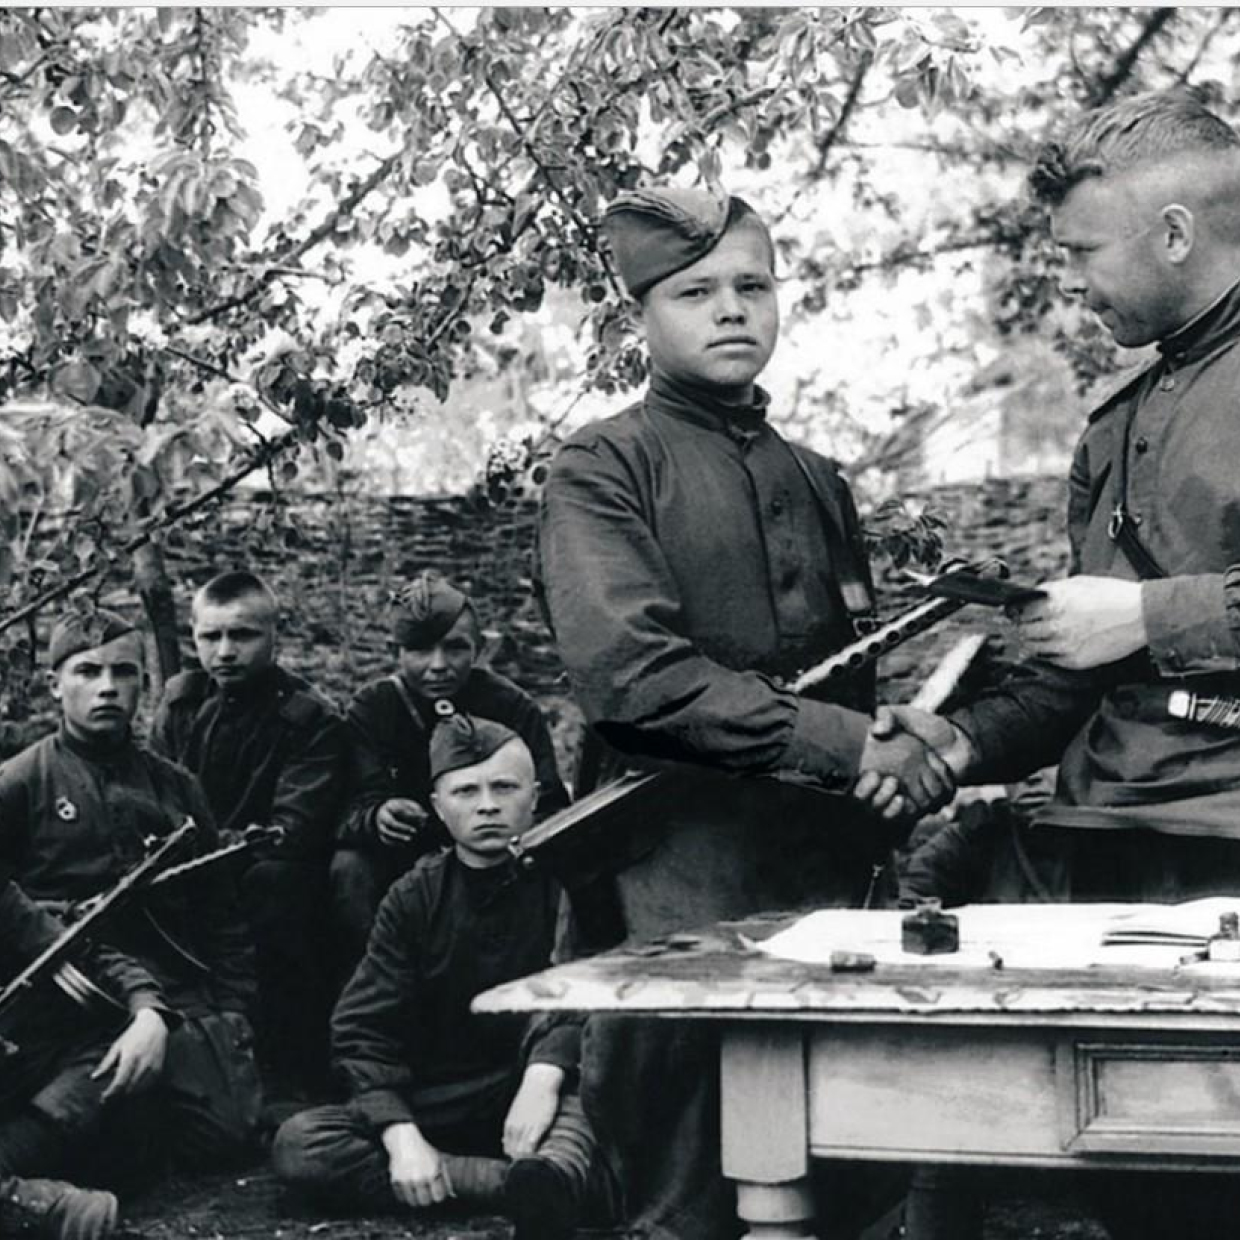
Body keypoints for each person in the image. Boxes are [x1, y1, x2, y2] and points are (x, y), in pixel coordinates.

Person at [536, 185, 954, 1239]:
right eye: (695, 292)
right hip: (677, 866)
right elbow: (632, 675)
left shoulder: (820, 479)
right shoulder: (603, 464)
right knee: (687, 1172)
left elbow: (849, 681)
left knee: (846, 1151)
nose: (730, 310)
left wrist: (887, 758)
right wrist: (845, 740)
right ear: (640, 315)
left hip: (826, 863)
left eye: (752, 286)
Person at [874, 89, 1240, 1240]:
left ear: (1174, 233)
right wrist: (956, 740)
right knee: (1135, 1177)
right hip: (1111, 849)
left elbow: (1130, 624)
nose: (1072, 283)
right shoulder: (1112, 423)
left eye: (1083, 253)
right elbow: (1078, 675)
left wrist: (1145, 613)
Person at [273, 713, 609, 1240]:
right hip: (443, 1096)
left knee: (602, 1092)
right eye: (465, 791)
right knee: (301, 1144)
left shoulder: (568, 879)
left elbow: (589, 986)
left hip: (540, 1087)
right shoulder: (415, 896)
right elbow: (364, 1027)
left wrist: (546, 1071)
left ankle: (552, 1173)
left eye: (504, 788)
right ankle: (524, 1186)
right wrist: (401, 1133)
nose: (487, 805)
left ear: (537, 795)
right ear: (437, 806)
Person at [0, 607, 260, 1181]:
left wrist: (232, 1013)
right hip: (63, 989)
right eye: (87, 672)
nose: (107, 688)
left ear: (143, 684)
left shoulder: (176, 787)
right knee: (89, 1101)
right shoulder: (19, 782)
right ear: (54, 684)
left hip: (170, 986)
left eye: (124, 673)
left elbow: (221, 914)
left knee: (224, 1134)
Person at [150, 570, 347, 1103]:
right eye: (210, 637)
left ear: (274, 636)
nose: (225, 651)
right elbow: (154, 794)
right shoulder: (181, 703)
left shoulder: (309, 718)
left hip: (268, 876)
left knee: (273, 887)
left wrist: (202, 850)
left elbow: (292, 829)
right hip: (184, 863)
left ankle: (286, 1069)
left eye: (242, 635)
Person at [329, 569, 568, 976]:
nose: (438, 665)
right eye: (420, 649)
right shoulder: (373, 710)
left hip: (497, 855)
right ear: (395, 651)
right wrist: (379, 816)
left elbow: (549, 804)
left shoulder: (510, 706)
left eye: (454, 648)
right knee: (349, 870)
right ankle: (379, 978)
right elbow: (344, 805)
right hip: (401, 861)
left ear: (478, 649)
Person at [0, 870, 178, 1240]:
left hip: (43, 1102)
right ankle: (35, 1206)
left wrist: (148, 1012)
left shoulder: (7, 902)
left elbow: (84, 953)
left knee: (107, 1050)